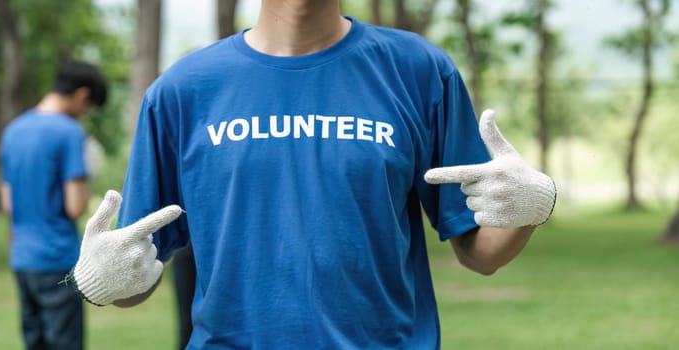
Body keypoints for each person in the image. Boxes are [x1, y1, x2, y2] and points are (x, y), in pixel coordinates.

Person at [66, 1, 556, 348]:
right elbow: (137, 276)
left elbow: (481, 253)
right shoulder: (182, 91)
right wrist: (98, 278)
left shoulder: (420, 71)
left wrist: (537, 204)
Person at [0, 61, 108, 350]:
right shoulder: (69, 132)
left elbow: (7, 201)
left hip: (22, 258)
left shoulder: (13, 131)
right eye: (89, 107)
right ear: (82, 95)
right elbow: (75, 206)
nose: (85, 114)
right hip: (57, 258)